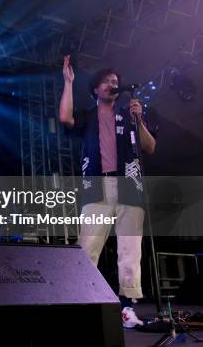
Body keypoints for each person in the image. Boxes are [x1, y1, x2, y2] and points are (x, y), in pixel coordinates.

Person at [59, 55, 156, 329]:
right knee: (87, 246)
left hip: (129, 185)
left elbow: (149, 147)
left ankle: (127, 308)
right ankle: (81, 303)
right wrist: (68, 82)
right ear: (96, 89)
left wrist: (139, 120)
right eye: (106, 82)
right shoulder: (89, 116)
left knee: (130, 249)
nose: (112, 85)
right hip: (96, 184)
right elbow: (65, 117)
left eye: (115, 82)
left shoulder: (128, 115)